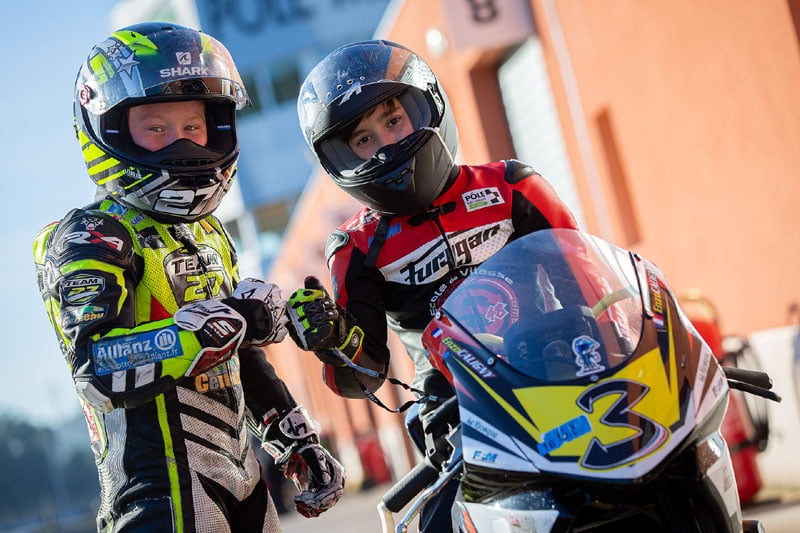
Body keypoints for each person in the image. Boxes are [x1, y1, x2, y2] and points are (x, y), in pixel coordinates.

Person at [32, 22, 344, 532]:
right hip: (156, 496)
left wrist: (295, 439)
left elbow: (242, 356)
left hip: (244, 484)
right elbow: (95, 369)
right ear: (106, 128)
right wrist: (215, 326)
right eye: (156, 128)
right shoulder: (90, 235)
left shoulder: (210, 233)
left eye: (194, 128)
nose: (182, 145)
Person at [286, 40, 580, 531]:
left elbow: (588, 284)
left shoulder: (513, 185)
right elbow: (363, 377)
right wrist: (330, 338)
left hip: (557, 371)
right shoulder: (355, 246)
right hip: (452, 412)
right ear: (341, 156)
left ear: (429, 106)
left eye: (393, 120)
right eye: (362, 140)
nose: (385, 144)